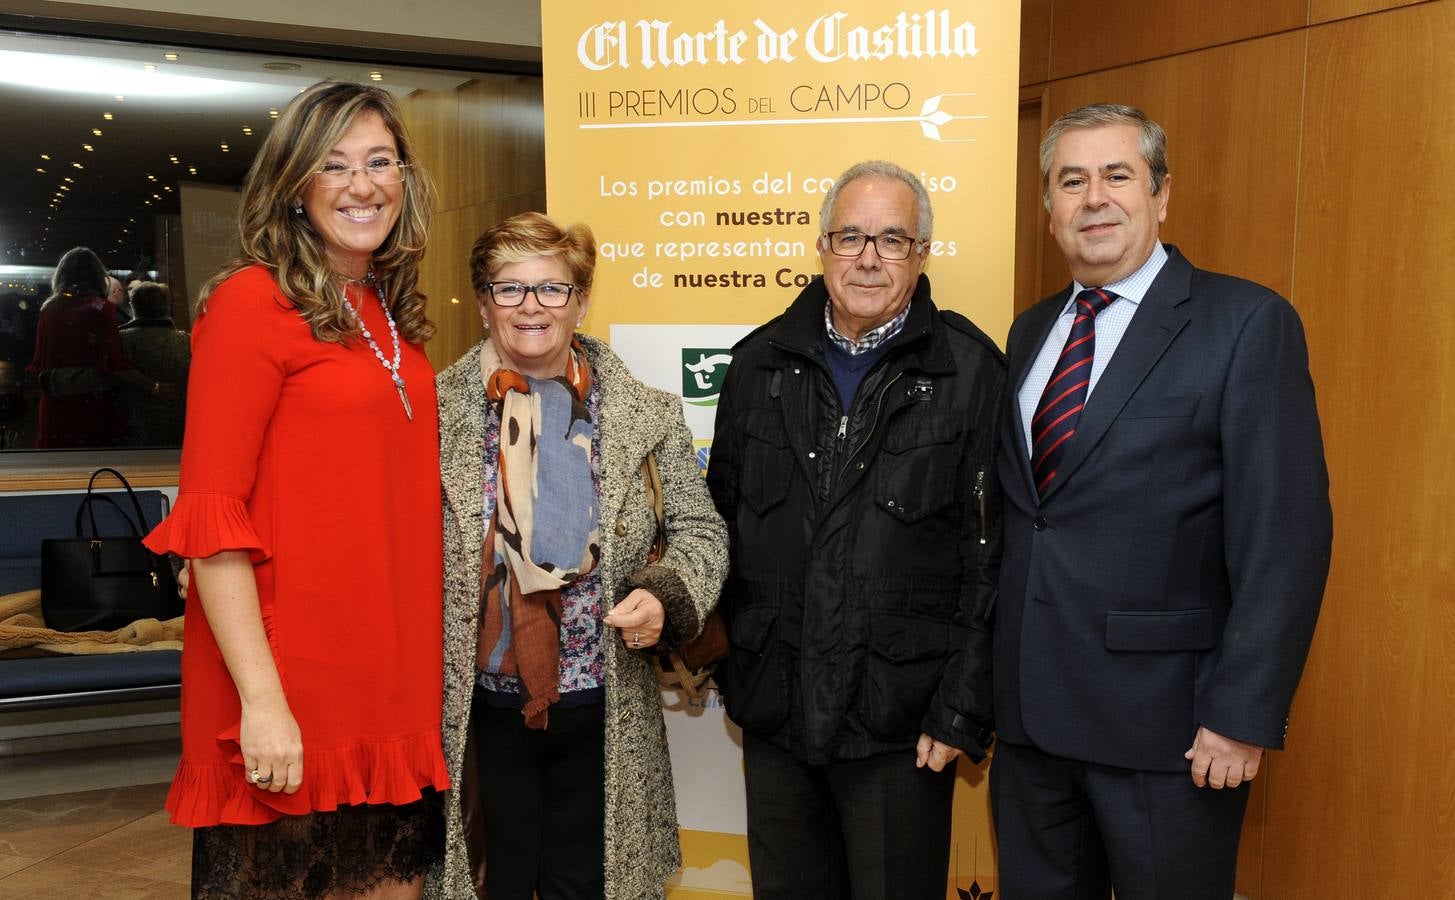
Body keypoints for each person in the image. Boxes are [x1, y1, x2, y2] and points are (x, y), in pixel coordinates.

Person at [992, 102, 1333, 898]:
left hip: (1170, 733)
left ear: (1161, 194)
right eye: (1069, 181)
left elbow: (1283, 536)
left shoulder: (1245, 323)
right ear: (1047, 209)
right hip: (1031, 726)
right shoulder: (1028, 333)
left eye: (1117, 175)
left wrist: (1241, 714)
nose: (1093, 198)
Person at [142, 80, 449, 899]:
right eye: (334, 164)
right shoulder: (250, 302)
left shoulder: (387, 312)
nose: (362, 185)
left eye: (380, 161)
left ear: (405, 179)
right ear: (293, 186)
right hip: (291, 686)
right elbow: (210, 523)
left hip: (388, 686)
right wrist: (263, 704)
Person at [705, 160, 1004, 900]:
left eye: (892, 239)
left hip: (901, 721)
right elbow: (717, 528)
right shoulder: (756, 364)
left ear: (922, 254)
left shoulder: (971, 374)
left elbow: (994, 558)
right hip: (777, 711)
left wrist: (962, 705)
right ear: (821, 245)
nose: (867, 257)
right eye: (850, 237)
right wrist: (728, 659)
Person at [428, 211, 728, 900]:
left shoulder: (644, 413)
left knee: (585, 886)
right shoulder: (428, 413)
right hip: (474, 714)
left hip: (604, 706)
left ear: (581, 300)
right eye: (509, 289)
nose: (531, 306)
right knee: (487, 883)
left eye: (552, 288)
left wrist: (663, 593)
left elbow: (699, 530)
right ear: (482, 304)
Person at [27, 247, 154, 447]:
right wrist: (153, 386)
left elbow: (40, 362)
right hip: (89, 404)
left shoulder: (49, 309)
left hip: (54, 402)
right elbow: (115, 363)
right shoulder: (100, 308)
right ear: (97, 275)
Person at [118, 281, 189, 446]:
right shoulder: (186, 341)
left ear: (133, 306)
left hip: (132, 426)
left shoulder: (120, 340)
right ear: (166, 306)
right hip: (177, 427)